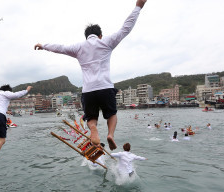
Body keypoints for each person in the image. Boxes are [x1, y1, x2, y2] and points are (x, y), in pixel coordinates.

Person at [34, 0, 147, 150]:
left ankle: (93, 129)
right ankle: (110, 135)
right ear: (100, 35)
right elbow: (125, 28)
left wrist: (44, 46)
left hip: (88, 91)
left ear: (86, 36)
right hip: (105, 87)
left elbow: (60, 48)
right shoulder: (106, 42)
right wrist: (138, 7)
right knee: (111, 114)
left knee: (91, 118)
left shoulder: (78, 47)